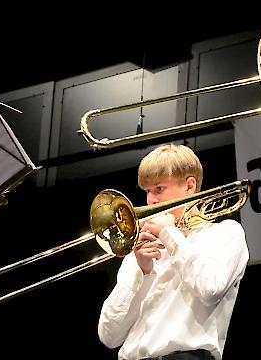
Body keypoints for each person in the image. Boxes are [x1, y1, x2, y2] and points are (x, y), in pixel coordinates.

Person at [97, 143, 250, 360]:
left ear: (189, 186)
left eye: (159, 189)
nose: (151, 201)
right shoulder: (141, 248)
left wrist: (169, 235)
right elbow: (109, 336)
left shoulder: (225, 233)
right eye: (148, 191)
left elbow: (210, 288)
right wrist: (142, 272)